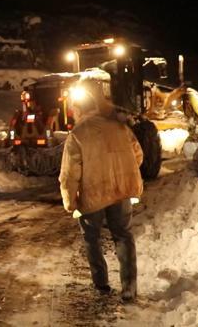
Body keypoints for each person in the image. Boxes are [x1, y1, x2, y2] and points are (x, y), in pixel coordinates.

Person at [58, 79, 144, 302]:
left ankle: (101, 283)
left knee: (91, 237)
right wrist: (122, 173)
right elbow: (138, 156)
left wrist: (70, 203)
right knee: (123, 236)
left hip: (93, 194)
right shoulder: (120, 127)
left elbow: (70, 174)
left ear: (79, 110)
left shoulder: (78, 134)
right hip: (122, 191)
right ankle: (129, 287)